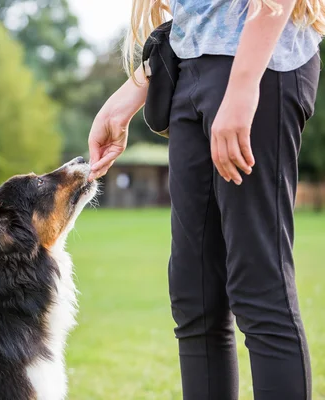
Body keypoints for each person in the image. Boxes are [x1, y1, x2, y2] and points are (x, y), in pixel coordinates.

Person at [87, 0, 323, 399]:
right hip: (190, 73)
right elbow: (199, 14)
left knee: (259, 288)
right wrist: (135, 89)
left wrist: (244, 86)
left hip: (260, 67)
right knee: (194, 296)